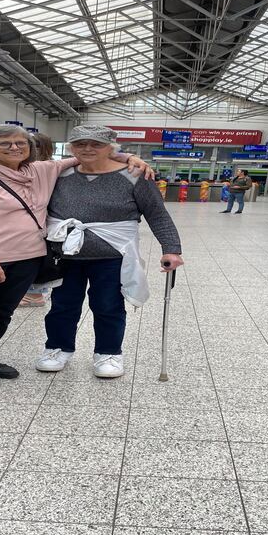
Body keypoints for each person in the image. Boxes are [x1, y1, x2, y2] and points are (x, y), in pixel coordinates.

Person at [0, 124, 151, 405]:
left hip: (27, 259)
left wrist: (128, 158)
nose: (14, 148)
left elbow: (87, 155)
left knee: (2, 313)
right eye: (5, 144)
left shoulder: (40, 170)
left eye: (21, 143)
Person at [34, 125, 184, 378]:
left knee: (108, 305)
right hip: (66, 256)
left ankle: (108, 353)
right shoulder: (59, 174)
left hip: (112, 256)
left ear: (110, 148)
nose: (88, 149)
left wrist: (171, 249)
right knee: (62, 305)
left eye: (96, 144)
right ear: (71, 148)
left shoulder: (134, 175)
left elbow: (157, 214)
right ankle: (57, 348)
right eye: (80, 144)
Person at [20, 132, 56, 308]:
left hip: (41, 222)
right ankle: (32, 292)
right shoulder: (19, 166)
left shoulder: (49, 167)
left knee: (35, 257)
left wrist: (128, 157)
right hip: (26, 224)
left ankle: (35, 293)